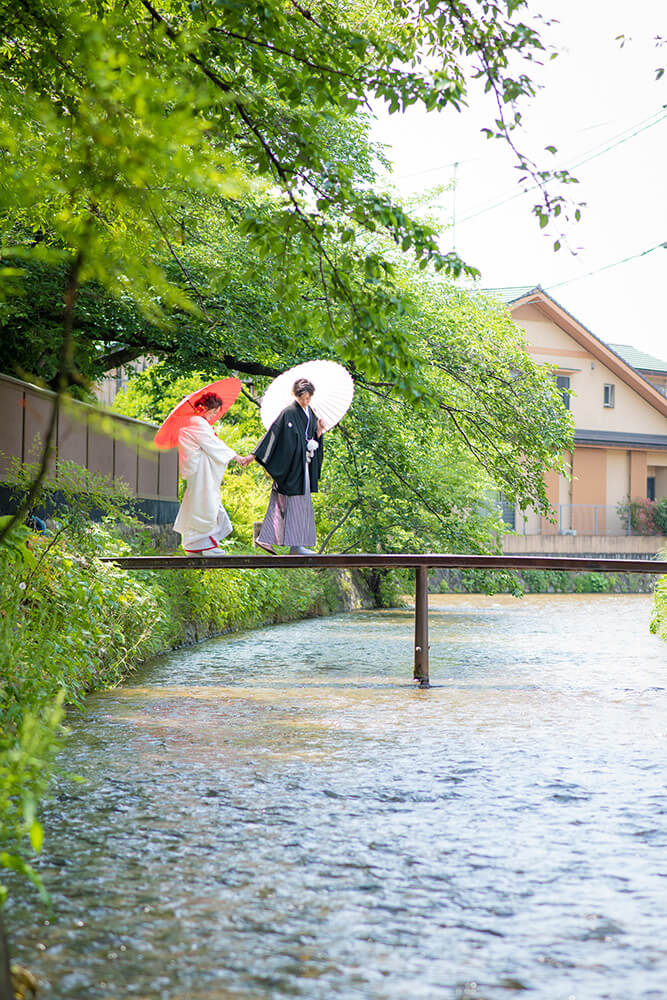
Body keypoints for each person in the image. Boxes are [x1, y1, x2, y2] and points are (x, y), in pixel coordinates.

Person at [249, 378, 325, 555]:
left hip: (302, 465)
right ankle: (294, 546)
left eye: (308, 398)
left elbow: (310, 435)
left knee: (288, 503)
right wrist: (254, 455)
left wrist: (318, 433)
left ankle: (270, 540)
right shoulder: (289, 412)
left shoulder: (310, 412)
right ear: (295, 395)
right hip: (292, 467)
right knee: (291, 503)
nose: (305, 401)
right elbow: (276, 434)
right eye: (302, 398)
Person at [173, 392, 252, 555]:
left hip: (198, 469)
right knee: (205, 505)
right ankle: (205, 545)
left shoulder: (192, 422)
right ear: (204, 408)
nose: (214, 416)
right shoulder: (197, 422)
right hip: (202, 469)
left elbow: (210, 444)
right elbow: (213, 444)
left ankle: (194, 546)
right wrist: (236, 457)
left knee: (200, 504)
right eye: (213, 412)